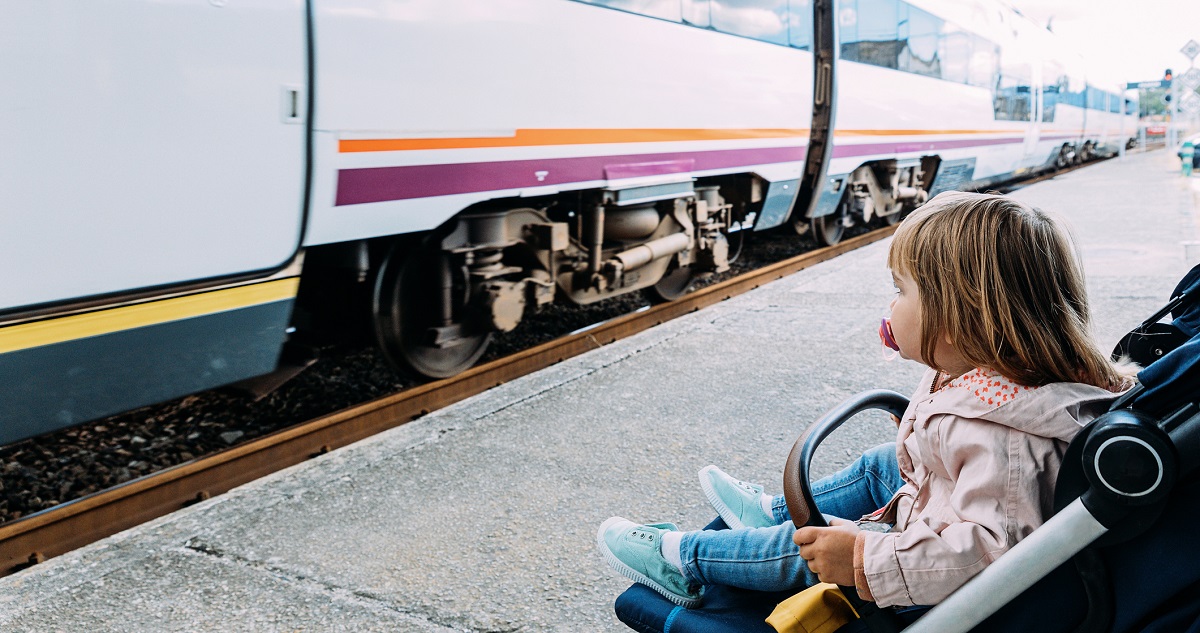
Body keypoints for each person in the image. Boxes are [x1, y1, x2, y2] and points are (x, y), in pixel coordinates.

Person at [596, 191, 1136, 609]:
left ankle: (684, 560)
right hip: (935, 503)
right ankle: (770, 511)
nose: (891, 305)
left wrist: (863, 557)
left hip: (920, 570)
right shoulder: (991, 371)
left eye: (902, 290)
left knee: (808, 548)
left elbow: (989, 556)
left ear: (965, 317)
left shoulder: (1006, 444)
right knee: (883, 463)